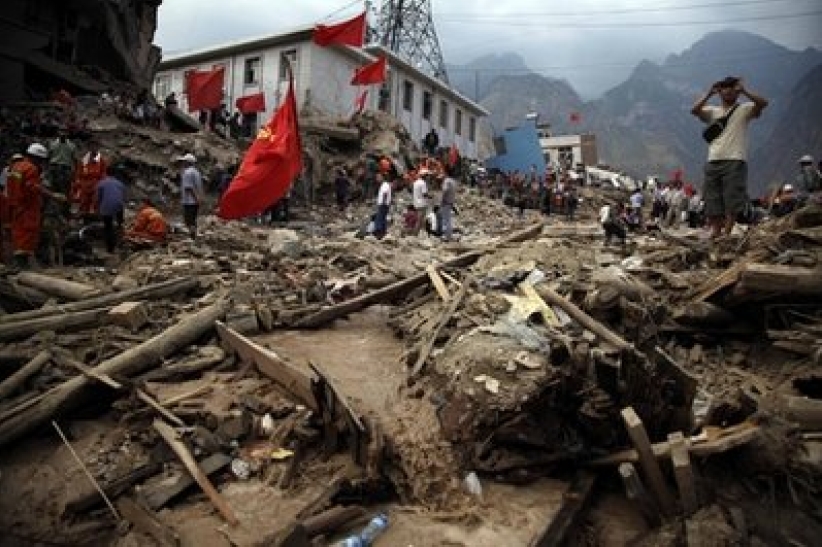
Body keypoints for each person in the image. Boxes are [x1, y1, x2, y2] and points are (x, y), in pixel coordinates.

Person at [691, 76, 768, 238]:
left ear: (736, 91)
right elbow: (695, 111)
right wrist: (708, 94)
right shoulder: (713, 111)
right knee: (713, 199)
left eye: (731, 88)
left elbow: (763, 103)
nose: (728, 91)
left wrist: (745, 91)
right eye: (724, 88)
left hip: (735, 159)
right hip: (713, 159)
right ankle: (716, 232)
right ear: (720, 92)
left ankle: (726, 233)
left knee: (732, 198)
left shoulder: (744, 109)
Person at [6, 143, 65, 267]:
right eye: (41, 160)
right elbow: (33, 187)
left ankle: (18, 264)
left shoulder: (15, 167)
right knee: (28, 234)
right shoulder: (31, 169)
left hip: (15, 205)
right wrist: (53, 195)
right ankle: (20, 265)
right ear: (37, 158)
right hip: (28, 207)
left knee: (18, 233)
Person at [72, 142, 107, 221]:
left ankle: (95, 220)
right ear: (89, 148)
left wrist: (101, 186)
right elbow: (78, 174)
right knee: (83, 203)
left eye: (96, 147)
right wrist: (78, 186)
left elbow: (103, 175)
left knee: (96, 204)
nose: (94, 149)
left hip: (96, 185)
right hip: (85, 185)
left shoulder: (101, 161)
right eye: (92, 147)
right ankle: (84, 220)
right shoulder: (84, 160)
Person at [96, 166, 127, 253]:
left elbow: (98, 198)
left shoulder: (101, 183)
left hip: (106, 207)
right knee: (120, 224)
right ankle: (122, 243)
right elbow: (123, 197)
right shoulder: (120, 184)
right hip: (119, 206)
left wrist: (99, 210)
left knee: (108, 227)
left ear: (106, 173)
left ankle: (110, 248)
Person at [48, 132, 77, 215]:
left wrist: (75, 171)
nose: (62, 134)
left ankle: (65, 210)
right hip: (54, 168)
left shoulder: (71, 145)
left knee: (66, 189)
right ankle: (54, 210)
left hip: (65, 168)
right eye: (61, 132)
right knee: (54, 188)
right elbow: (48, 156)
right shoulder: (53, 144)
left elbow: (75, 159)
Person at [178, 153, 203, 239]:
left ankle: (192, 237)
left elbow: (188, 188)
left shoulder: (187, 172)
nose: (182, 163)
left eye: (184, 162)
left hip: (189, 201)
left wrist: (196, 199)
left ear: (188, 162)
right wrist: (199, 199)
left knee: (189, 220)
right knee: (193, 219)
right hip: (195, 200)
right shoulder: (196, 172)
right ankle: (194, 236)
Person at [440, 166, 458, 240]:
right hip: (450, 202)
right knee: (448, 219)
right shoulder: (453, 181)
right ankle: (449, 235)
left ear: (446, 172)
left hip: (446, 202)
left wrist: (442, 200)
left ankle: (447, 236)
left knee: (445, 219)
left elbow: (445, 190)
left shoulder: (447, 181)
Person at [411, 169, 430, 235]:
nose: (428, 177)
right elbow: (424, 194)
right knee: (420, 220)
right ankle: (415, 233)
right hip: (422, 203)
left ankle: (420, 233)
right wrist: (430, 196)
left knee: (420, 219)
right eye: (427, 175)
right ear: (424, 175)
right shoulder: (423, 183)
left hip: (416, 203)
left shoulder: (416, 182)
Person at [373, 174, 391, 239]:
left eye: (378, 177)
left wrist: (383, 202)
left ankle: (378, 232)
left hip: (383, 204)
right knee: (382, 218)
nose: (377, 179)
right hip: (383, 204)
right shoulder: (384, 185)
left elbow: (385, 193)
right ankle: (383, 232)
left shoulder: (385, 185)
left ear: (382, 178)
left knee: (380, 218)